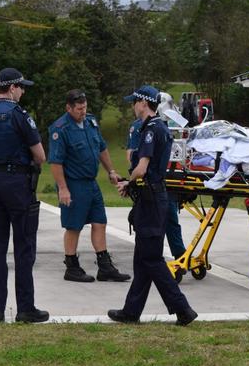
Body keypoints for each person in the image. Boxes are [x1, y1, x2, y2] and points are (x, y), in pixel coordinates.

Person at [109, 85, 197, 326]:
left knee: (152, 260)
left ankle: (182, 308)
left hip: (150, 199)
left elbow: (142, 167)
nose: (132, 106)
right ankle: (131, 311)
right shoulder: (160, 127)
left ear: (143, 103)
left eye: (134, 102)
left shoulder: (150, 129)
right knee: (142, 259)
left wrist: (128, 181)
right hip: (153, 197)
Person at [0, 67, 49, 323]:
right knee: (24, 247)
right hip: (17, 184)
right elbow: (40, 156)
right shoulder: (19, 115)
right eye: (21, 87)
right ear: (12, 87)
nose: (23, 91)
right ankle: (25, 309)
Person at [48, 90, 131, 283]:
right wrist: (63, 188)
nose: (83, 112)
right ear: (68, 108)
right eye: (79, 109)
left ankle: (104, 266)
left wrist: (111, 171)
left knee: (99, 222)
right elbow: (55, 162)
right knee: (74, 226)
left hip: (91, 183)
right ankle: (71, 267)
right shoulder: (60, 129)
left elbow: (101, 148)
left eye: (85, 107)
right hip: (73, 183)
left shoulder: (90, 122)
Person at [127, 116, 186, 259]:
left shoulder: (160, 126)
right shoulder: (143, 127)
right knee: (160, 222)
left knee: (169, 220)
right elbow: (132, 154)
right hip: (151, 183)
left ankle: (177, 255)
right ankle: (157, 257)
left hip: (164, 179)